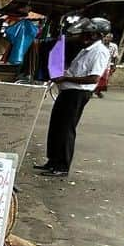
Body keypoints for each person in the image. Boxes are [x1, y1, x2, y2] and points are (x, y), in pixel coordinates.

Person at [34, 17, 112, 178]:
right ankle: (53, 161)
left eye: (88, 34)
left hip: (77, 93)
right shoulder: (86, 49)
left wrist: (65, 78)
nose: (84, 37)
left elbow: (93, 78)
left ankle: (62, 165)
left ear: (97, 35)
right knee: (56, 126)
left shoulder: (100, 52)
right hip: (67, 91)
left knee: (66, 128)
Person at [94, 33, 120, 98]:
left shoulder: (114, 46)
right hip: (96, 64)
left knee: (103, 80)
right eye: (106, 37)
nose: (106, 39)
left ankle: (97, 91)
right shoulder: (98, 45)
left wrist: (114, 66)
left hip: (106, 65)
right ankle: (92, 90)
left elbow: (115, 57)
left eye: (109, 37)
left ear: (111, 39)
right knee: (95, 77)